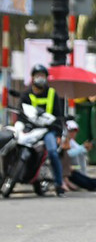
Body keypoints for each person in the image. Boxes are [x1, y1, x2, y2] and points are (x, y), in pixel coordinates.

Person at [22, 64, 67, 197]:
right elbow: (21, 114)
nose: (40, 78)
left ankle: (59, 185)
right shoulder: (26, 95)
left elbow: (58, 116)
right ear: (32, 78)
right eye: (38, 75)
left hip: (48, 131)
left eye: (42, 75)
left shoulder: (52, 94)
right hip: (31, 130)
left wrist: (58, 134)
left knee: (52, 152)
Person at [60, 119, 96, 191]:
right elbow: (68, 154)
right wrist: (83, 147)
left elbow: (80, 151)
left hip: (75, 169)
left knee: (82, 177)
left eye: (75, 131)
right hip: (66, 170)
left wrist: (85, 148)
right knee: (80, 178)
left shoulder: (72, 142)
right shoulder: (63, 141)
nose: (73, 133)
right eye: (71, 131)